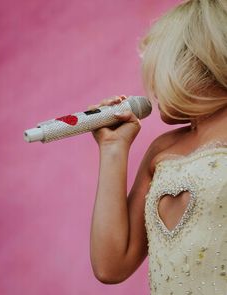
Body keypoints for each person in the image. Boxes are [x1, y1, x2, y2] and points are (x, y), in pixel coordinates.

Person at [88, 0, 227, 294]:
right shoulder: (163, 149)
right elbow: (111, 265)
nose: (151, 90)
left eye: (158, 73)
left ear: (200, 65)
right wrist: (113, 148)